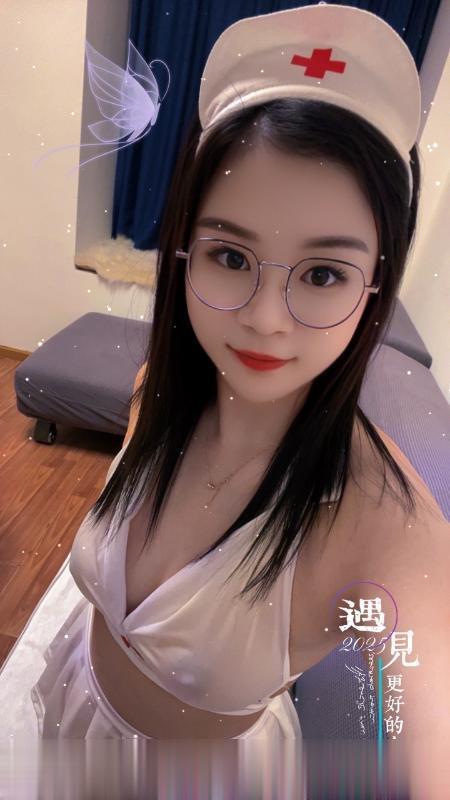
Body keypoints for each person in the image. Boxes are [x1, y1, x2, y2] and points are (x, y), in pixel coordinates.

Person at [2, 4, 449, 797]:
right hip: (71, 715)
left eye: (323, 273)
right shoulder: (157, 392)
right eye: (231, 255)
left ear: (376, 284)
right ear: (184, 248)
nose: (265, 318)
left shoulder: (391, 531)